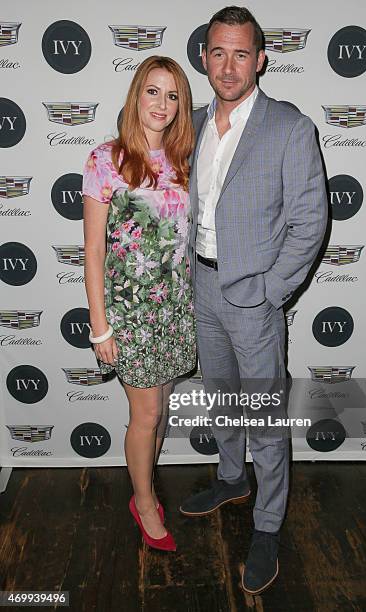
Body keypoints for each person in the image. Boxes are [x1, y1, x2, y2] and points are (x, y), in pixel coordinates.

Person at [179, 6, 328, 593]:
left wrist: (269, 292)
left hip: (254, 296)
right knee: (219, 398)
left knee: (265, 417)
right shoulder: (190, 124)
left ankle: (267, 525)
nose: (229, 65)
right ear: (205, 57)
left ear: (261, 59)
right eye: (218, 52)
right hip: (203, 288)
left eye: (242, 53)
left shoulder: (290, 126)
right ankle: (231, 477)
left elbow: (310, 223)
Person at [82, 55, 195, 552]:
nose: (163, 104)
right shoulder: (106, 159)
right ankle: (144, 504)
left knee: (160, 407)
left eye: (173, 96)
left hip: (174, 306)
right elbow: (93, 249)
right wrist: (100, 326)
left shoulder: (185, 159)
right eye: (154, 91)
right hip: (129, 312)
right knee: (146, 415)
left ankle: (147, 480)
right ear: (136, 95)